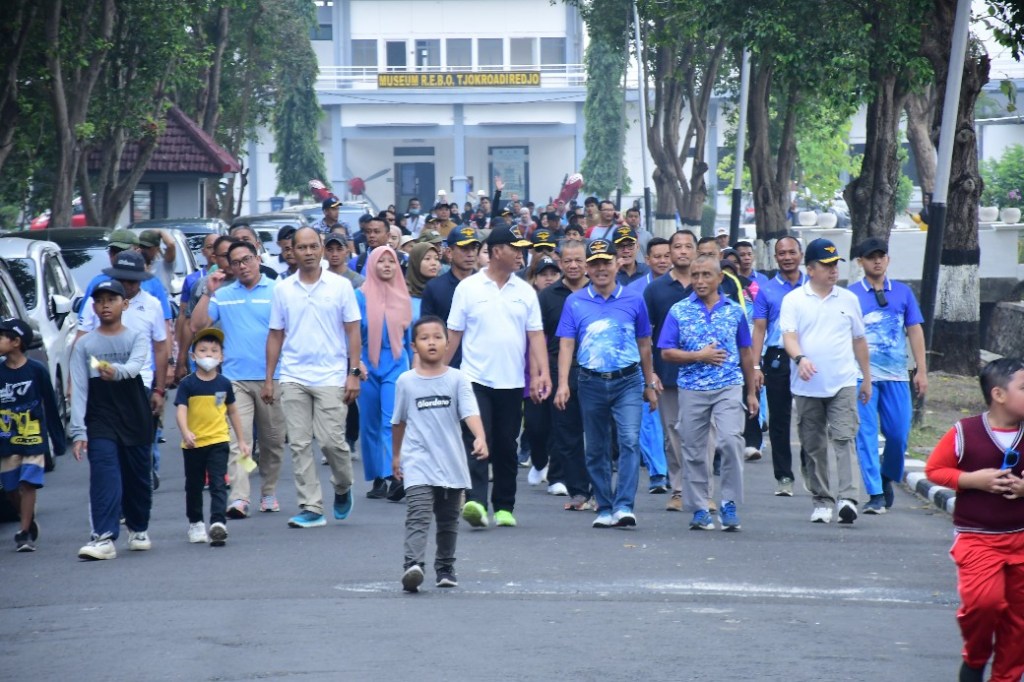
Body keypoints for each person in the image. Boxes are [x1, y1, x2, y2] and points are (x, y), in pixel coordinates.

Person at [923, 358, 1024, 682]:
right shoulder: (964, 432)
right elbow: (935, 470)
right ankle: (975, 658)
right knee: (984, 604)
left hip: (1021, 539)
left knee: (1019, 620)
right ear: (998, 394)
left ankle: (1006, 676)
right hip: (977, 539)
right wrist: (972, 480)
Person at [446, 224, 551, 529]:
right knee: (479, 438)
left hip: (512, 381)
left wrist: (541, 373)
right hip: (474, 378)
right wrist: (436, 371)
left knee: (506, 444)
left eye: (522, 249)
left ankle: (504, 506)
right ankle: (476, 501)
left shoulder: (525, 292)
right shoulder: (468, 288)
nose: (521, 254)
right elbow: (453, 334)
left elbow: (536, 336)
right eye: (514, 248)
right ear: (495, 252)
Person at [555, 238, 659, 529]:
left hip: (628, 381)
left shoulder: (634, 299)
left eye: (606, 262)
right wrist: (563, 383)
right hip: (590, 382)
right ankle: (604, 505)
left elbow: (645, 345)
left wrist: (649, 384)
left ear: (618, 263)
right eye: (595, 263)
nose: (601, 268)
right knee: (596, 447)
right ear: (588, 268)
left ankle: (624, 505)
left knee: (628, 441)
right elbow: (566, 345)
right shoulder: (574, 301)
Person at [265, 227, 361, 528]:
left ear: (321, 249)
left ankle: (343, 486)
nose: (307, 252)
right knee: (299, 443)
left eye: (312, 247)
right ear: (291, 251)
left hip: (331, 375)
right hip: (293, 374)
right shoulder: (283, 289)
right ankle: (311, 507)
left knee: (333, 443)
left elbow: (353, 329)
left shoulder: (340, 286)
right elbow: (276, 334)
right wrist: (270, 377)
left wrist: (354, 372)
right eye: (301, 247)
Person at [658, 255, 758, 531]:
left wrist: (751, 392)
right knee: (693, 450)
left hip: (728, 385)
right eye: (696, 275)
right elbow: (666, 351)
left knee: (730, 441)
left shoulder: (735, 311)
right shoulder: (679, 311)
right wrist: (697, 356)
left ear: (719, 279)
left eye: (706, 275)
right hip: (691, 388)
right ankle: (700, 507)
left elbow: (746, 352)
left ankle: (728, 503)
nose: (700, 281)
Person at [190, 240, 288, 517]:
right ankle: (240, 497)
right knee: (238, 440)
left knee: (272, 441)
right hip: (234, 380)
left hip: (273, 377)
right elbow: (197, 325)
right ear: (229, 266)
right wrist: (209, 293)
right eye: (236, 262)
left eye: (247, 259)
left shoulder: (277, 290)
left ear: (257, 259)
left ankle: (268, 492)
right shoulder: (223, 294)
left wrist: (274, 376)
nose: (243, 266)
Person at [392, 316, 488, 592]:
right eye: (424, 338)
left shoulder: (457, 379)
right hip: (417, 460)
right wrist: (396, 457)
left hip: (451, 461)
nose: (431, 342)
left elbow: (470, 411)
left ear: (448, 343)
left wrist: (480, 436)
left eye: (437, 337)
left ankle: (445, 567)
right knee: (418, 513)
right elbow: (398, 422)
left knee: (448, 520)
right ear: (414, 345)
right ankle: (413, 566)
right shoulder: (406, 382)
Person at [780, 238, 871, 525]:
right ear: (810, 269)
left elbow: (859, 340)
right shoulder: (793, 300)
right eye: (827, 265)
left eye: (835, 265)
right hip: (806, 385)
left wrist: (866, 378)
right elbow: (789, 337)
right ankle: (822, 500)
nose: (833, 271)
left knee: (844, 438)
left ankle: (848, 498)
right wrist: (800, 359)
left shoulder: (849, 299)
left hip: (843, 381)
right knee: (813, 444)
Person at [71, 280, 153, 560]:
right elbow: (80, 388)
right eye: (99, 300)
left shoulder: (136, 337)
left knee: (137, 478)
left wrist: (114, 371)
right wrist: (79, 431)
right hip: (100, 415)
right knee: (105, 474)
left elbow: (133, 368)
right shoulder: (85, 344)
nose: (105, 305)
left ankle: (138, 528)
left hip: (134, 412)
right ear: (93, 306)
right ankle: (103, 537)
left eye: (111, 299)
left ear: (124, 304)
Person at [850, 237, 928, 513]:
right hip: (862, 377)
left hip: (896, 376)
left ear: (888, 259)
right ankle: (875, 494)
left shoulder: (903, 293)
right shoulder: (851, 295)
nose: (877, 260)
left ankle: (887, 475)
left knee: (898, 434)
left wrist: (921, 369)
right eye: (871, 256)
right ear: (861, 262)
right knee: (866, 435)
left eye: (881, 255)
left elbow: (915, 330)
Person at [78, 251, 169, 487]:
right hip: (102, 385)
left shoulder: (153, 306)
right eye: (122, 279)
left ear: (141, 279)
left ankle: (139, 486)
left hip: (140, 384)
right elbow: (81, 342)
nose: (127, 285)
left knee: (137, 445)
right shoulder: (96, 303)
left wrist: (159, 390)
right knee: (108, 446)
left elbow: (160, 347)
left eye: (132, 280)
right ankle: (114, 497)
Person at [175, 328, 250, 547]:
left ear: (222, 357)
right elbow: (181, 410)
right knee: (194, 485)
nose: (209, 355)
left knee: (218, 482)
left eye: (214, 351)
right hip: (193, 443)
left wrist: (242, 440)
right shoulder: (188, 384)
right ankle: (196, 522)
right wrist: (185, 431)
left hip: (218, 440)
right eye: (203, 350)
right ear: (193, 356)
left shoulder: (224, 384)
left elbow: (233, 411)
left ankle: (218, 523)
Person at [644, 230, 698, 510]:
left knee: (705, 434)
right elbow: (645, 335)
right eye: (677, 247)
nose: (682, 252)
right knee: (674, 434)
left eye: (688, 246)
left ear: (696, 251)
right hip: (667, 375)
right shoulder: (655, 289)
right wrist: (650, 373)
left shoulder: (709, 284)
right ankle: (678, 489)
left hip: (704, 374)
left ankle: (703, 490)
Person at [0, 319, 65, 552]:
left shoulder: (36, 370)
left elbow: (50, 404)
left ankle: (24, 532)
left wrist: (57, 440)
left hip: (33, 437)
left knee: (28, 482)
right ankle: (26, 517)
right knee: (10, 489)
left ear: (16, 342)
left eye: (1, 336)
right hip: (6, 439)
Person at [538, 240, 593, 510]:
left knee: (597, 435)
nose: (573, 266)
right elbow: (538, 337)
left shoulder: (598, 291)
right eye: (568, 261)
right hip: (559, 373)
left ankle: (599, 489)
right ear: (560, 262)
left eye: (578, 260)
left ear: (587, 262)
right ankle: (579, 491)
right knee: (566, 435)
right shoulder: (547, 296)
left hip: (595, 371)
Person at [752, 236, 809, 497]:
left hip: (811, 357)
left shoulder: (814, 285)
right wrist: (755, 366)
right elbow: (760, 329)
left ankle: (811, 470)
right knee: (779, 420)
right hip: (777, 359)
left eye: (791, 252)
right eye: (781, 253)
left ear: (801, 254)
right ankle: (784, 476)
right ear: (776, 258)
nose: (787, 257)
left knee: (812, 418)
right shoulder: (766, 290)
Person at [356, 246, 413, 502]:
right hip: (368, 365)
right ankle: (377, 477)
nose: (387, 265)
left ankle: (394, 476)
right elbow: (353, 334)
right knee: (369, 423)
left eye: (392, 261)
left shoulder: (404, 297)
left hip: (396, 364)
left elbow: (410, 338)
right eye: (381, 261)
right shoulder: (360, 297)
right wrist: (355, 363)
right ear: (371, 265)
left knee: (391, 420)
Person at [522, 256, 562, 489]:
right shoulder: (526, 303)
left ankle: (557, 476)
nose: (549, 278)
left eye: (553, 273)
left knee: (559, 426)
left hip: (557, 371)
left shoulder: (562, 301)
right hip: (529, 375)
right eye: (543, 274)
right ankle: (539, 462)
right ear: (534, 279)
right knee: (536, 427)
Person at [421, 226, 481, 369]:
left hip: (481, 369)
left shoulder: (488, 286)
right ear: (449, 252)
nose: (470, 254)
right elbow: (426, 331)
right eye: (464, 248)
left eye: (474, 248)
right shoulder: (434, 288)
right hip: (447, 365)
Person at [406, 242, 441, 319]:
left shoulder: (442, 290)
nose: (433, 263)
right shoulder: (404, 294)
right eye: (427, 259)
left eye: (436, 259)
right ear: (415, 262)